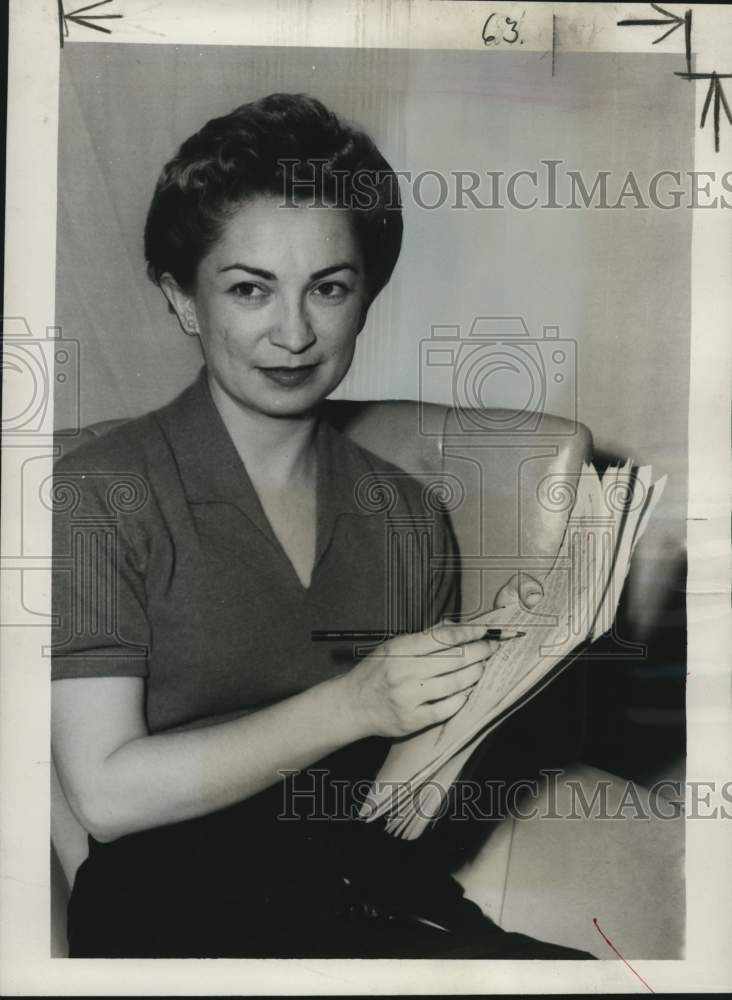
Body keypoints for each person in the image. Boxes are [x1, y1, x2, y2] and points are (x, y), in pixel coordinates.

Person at [51, 93, 593, 959]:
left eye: (329, 288)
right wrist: (354, 701)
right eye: (250, 289)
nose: (295, 332)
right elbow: (105, 796)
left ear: (367, 295)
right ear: (183, 298)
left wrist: (493, 680)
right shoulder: (100, 494)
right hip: (176, 919)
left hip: (371, 896)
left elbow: (397, 803)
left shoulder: (409, 513)